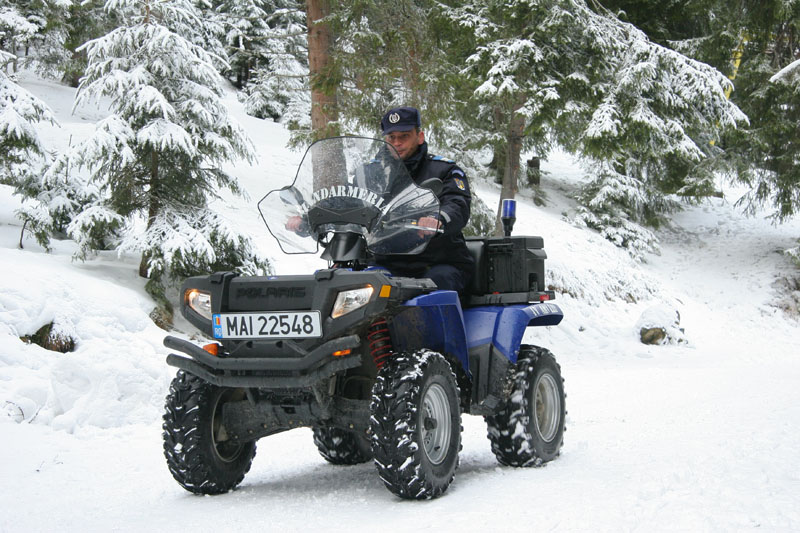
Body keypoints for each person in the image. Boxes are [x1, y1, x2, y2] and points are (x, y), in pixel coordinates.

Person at [371, 106, 474, 294]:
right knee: (353, 280)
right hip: (388, 263)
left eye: (404, 136)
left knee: (435, 285)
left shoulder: (444, 170)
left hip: (437, 262)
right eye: (392, 137)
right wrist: (319, 216)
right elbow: (353, 202)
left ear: (419, 137)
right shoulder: (372, 174)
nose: (397, 143)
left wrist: (438, 218)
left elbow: (457, 204)